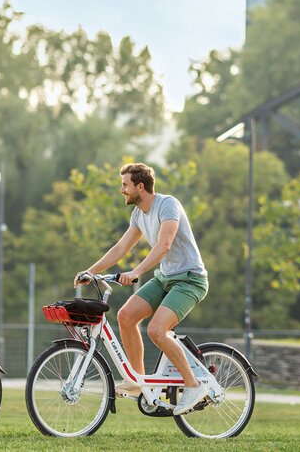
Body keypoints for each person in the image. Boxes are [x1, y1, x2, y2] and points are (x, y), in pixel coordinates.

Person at [74, 162, 209, 415]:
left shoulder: (168, 205)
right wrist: (91, 271)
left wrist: (136, 272)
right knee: (126, 316)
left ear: (140, 186)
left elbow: (164, 244)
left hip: (190, 279)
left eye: (125, 185)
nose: (121, 190)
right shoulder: (138, 215)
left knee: (157, 330)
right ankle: (139, 381)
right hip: (165, 278)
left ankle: (194, 385)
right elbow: (120, 248)